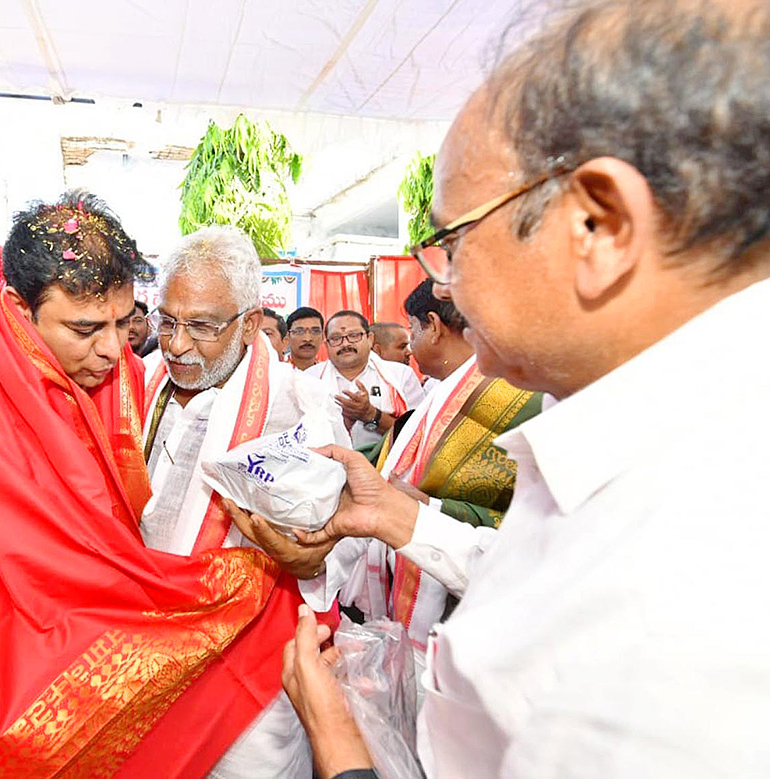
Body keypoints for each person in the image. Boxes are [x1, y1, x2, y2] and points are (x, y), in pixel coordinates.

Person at [286, 0, 770, 775]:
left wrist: (339, 747)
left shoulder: (697, 601)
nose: (441, 281)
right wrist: (402, 517)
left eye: (453, 239)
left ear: (599, 228)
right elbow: (540, 579)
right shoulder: (625, 424)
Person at [0, 192, 306, 778]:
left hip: (123, 643)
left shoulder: (127, 378)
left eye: (126, 322)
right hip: (10, 672)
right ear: (17, 306)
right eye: (86, 328)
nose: (115, 348)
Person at [142, 226, 351, 779]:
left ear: (251, 323)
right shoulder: (136, 385)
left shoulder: (299, 406)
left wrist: (314, 556)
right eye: (166, 320)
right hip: (141, 649)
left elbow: (346, 535)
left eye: (203, 326)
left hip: (249, 669)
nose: (178, 344)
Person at [322, 279, 541, 682]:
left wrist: (427, 507)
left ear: (434, 327)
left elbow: (521, 517)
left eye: (413, 331)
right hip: (422, 581)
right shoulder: (444, 391)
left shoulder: (512, 395)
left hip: (470, 611)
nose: (410, 346)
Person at [305, 311, 424, 450]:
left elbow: (418, 435)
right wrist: (340, 426)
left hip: (384, 466)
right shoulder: (308, 379)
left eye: (354, 336)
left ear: (370, 339)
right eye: (336, 338)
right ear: (326, 345)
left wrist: (371, 414)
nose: (345, 344)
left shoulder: (400, 375)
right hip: (327, 467)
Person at [284, 307, 324, 371]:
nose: (307, 339)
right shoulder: (276, 371)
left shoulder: (327, 373)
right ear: (288, 337)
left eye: (315, 331)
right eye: (299, 331)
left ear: (323, 337)